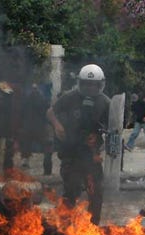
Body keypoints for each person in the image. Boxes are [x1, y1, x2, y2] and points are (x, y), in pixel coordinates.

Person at [46, 64, 110, 225]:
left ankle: (93, 226)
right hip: (71, 153)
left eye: (93, 84)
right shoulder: (70, 97)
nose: (90, 88)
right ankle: (64, 225)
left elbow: (114, 126)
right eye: (86, 84)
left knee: (96, 192)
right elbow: (50, 112)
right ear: (80, 83)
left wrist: (103, 136)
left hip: (91, 155)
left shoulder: (105, 102)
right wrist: (57, 125)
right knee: (71, 190)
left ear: (100, 84)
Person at [19, 83, 53, 175]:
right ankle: (47, 166)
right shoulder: (42, 100)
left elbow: (21, 112)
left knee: (27, 144)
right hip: (39, 127)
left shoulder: (27, 100)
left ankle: (26, 161)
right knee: (46, 146)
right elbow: (47, 110)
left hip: (29, 126)